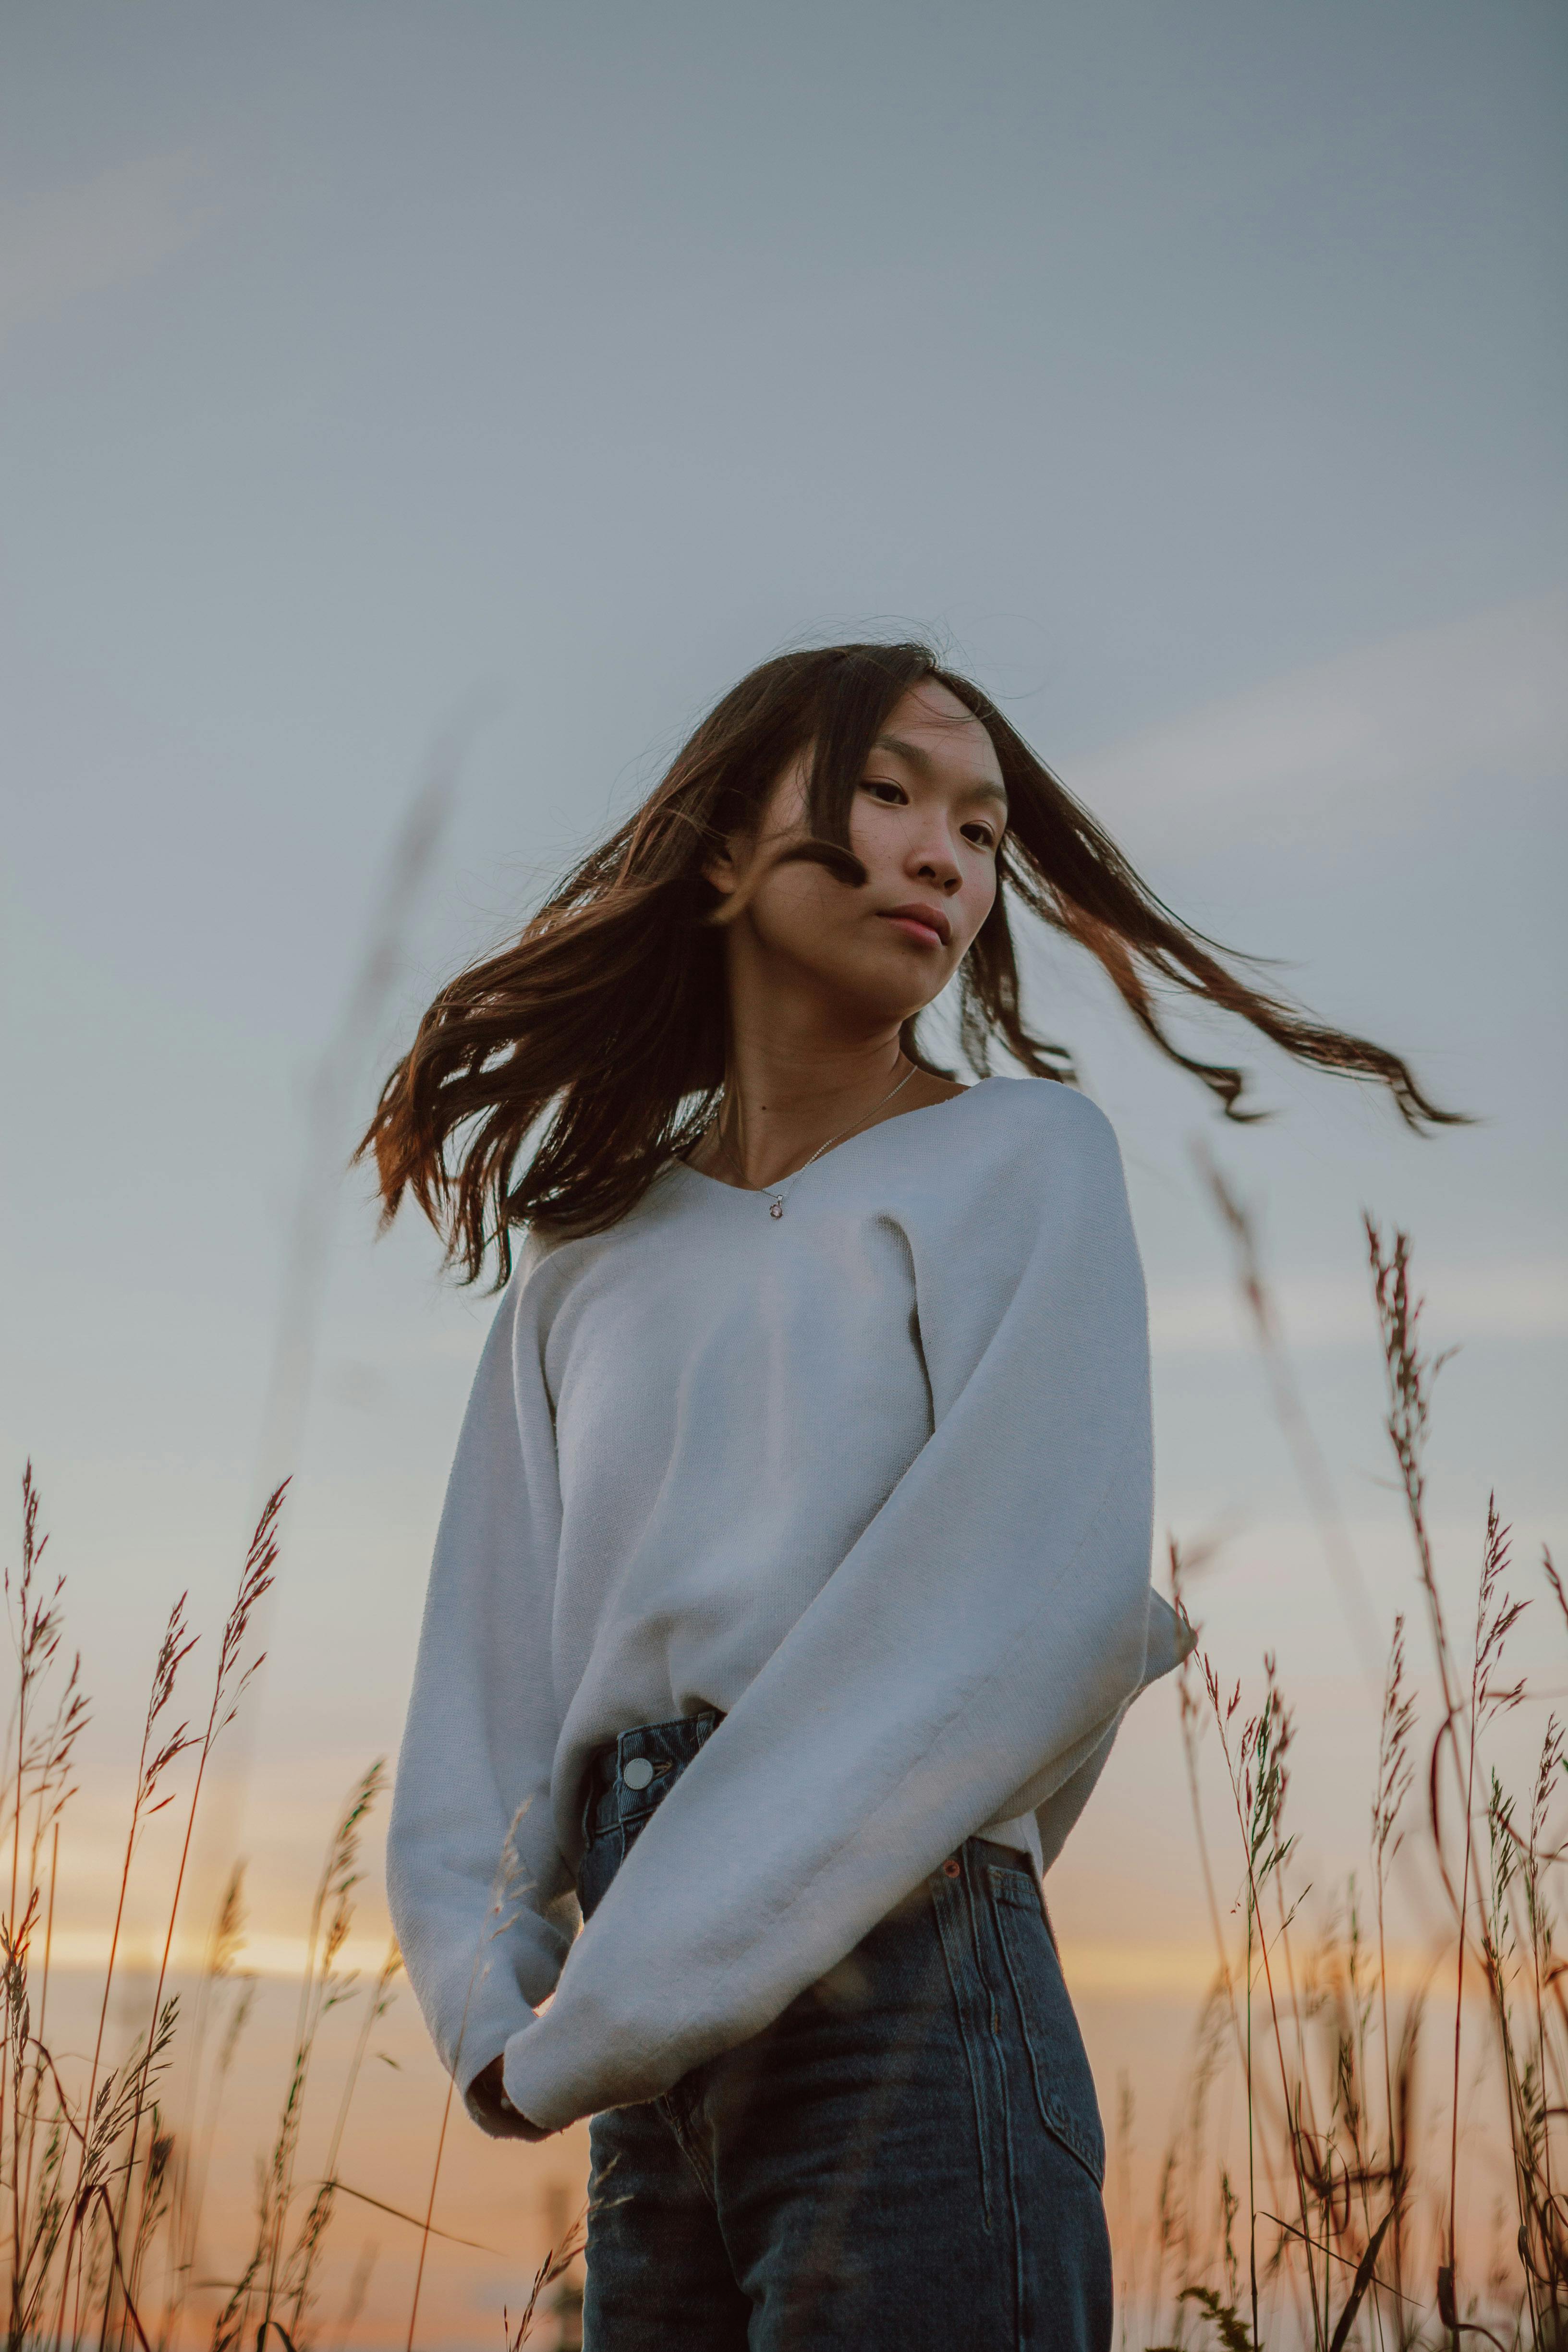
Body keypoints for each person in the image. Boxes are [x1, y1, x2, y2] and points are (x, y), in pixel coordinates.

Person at [361, 642, 1455, 2350]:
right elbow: (487, 1698)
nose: (945, 853)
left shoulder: (1023, 1164)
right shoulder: (585, 1270)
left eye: (979, 824)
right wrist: (494, 2015)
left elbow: (1015, 1624)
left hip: (910, 1985)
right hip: (640, 2046)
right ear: (726, 847)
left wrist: (626, 1994)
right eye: (887, 794)